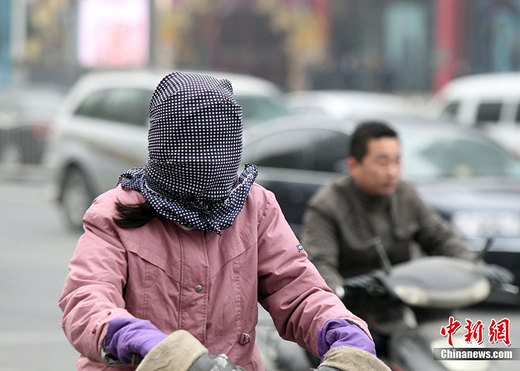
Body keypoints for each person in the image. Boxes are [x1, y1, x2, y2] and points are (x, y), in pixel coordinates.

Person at [58, 72, 391, 371]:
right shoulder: (113, 213)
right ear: (164, 144)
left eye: (219, 147)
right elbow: (86, 302)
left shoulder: (255, 207)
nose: (208, 163)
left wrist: (341, 329)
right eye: (196, 147)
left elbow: (297, 289)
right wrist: (142, 341)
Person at [302, 121, 513, 355]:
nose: (392, 171)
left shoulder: (405, 195)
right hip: (347, 323)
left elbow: (441, 238)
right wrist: (338, 289)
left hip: (397, 315)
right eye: (382, 162)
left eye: (397, 161)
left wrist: (475, 266)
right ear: (354, 165)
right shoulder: (327, 206)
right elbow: (320, 264)